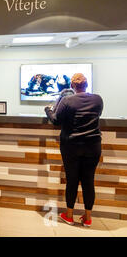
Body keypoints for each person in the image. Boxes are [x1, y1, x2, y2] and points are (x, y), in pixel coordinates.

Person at [45, 73, 103, 227]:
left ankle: (69, 216)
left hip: (72, 146)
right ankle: (88, 218)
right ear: (87, 85)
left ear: (72, 86)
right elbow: (97, 115)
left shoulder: (67, 100)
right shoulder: (98, 99)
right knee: (88, 181)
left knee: (72, 180)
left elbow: (56, 120)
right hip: (93, 146)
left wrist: (47, 110)